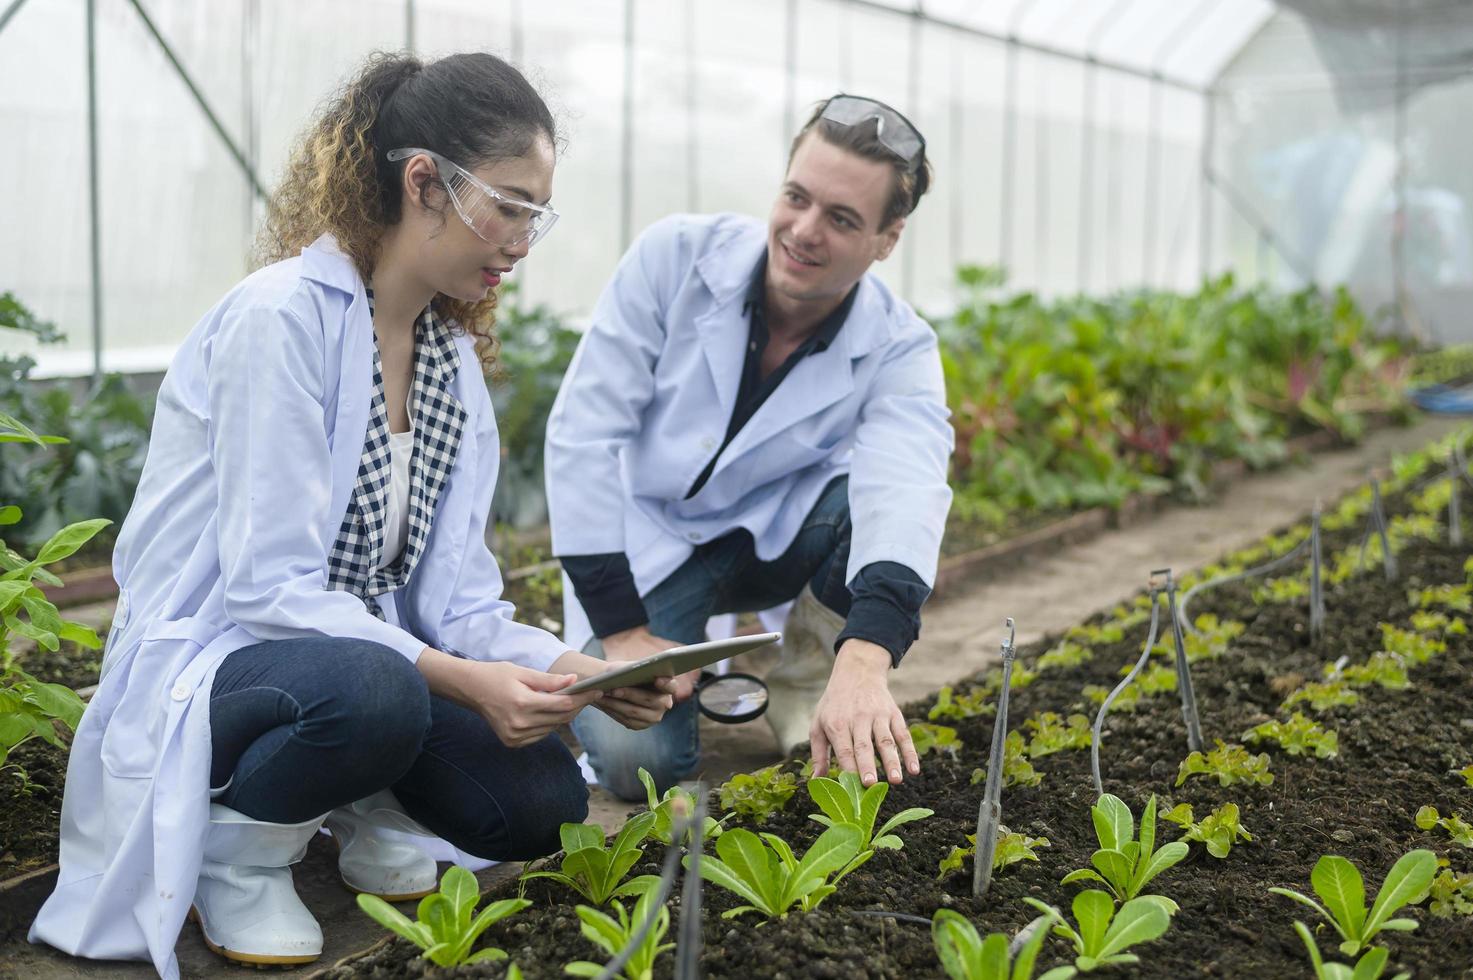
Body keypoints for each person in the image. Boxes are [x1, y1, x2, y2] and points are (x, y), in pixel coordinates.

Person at [29, 52, 672, 978]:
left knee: (536, 806)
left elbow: (457, 605)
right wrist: (464, 680)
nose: (524, 239)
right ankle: (238, 850)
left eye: (538, 212)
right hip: (227, 657)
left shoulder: (447, 361)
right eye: (511, 204)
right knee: (379, 689)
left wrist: (575, 672)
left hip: (357, 668)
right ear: (425, 184)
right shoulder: (281, 321)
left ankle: (362, 799)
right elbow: (267, 591)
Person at [545, 94, 953, 803]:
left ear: (888, 238)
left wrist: (864, 661)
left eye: (842, 218)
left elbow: (907, 489)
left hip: (778, 538)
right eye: (796, 197)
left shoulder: (899, 345)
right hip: (652, 539)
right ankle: (677, 656)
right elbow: (582, 434)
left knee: (866, 503)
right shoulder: (674, 258)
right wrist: (624, 631)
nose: (803, 230)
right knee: (634, 769)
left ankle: (805, 681)